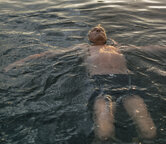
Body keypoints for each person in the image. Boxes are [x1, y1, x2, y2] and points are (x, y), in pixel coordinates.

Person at [4, 24, 159, 141]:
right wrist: (20, 62)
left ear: (106, 36)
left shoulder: (118, 47)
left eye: (101, 30)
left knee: (150, 131)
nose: (98, 30)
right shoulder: (84, 48)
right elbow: (49, 54)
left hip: (127, 84)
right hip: (101, 86)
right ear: (89, 37)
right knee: (104, 133)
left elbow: (149, 49)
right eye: (94, 30)